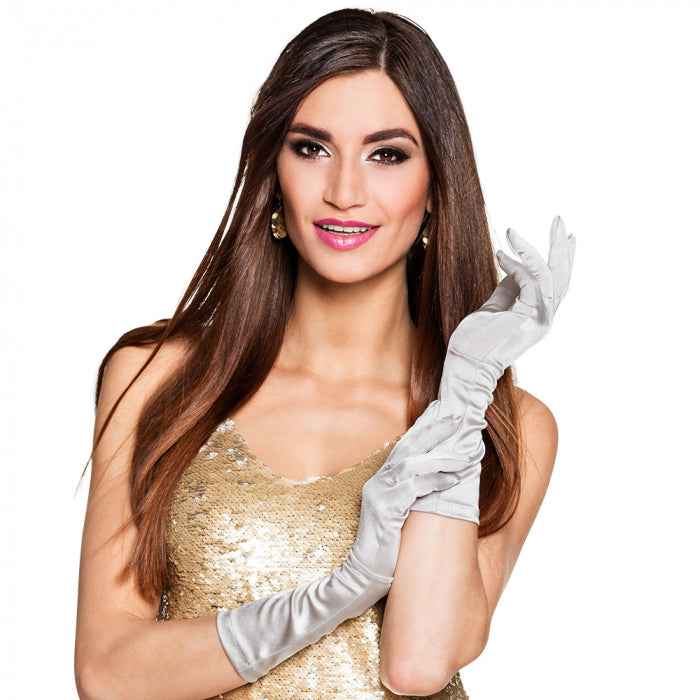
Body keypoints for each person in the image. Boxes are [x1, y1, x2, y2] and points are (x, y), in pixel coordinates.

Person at [74, 8, 575, 699]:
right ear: (272, 170)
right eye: (312, 148)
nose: (343, 191)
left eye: (386, 155)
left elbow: (418, 665)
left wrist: (463, 391)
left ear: (436, 188)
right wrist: (339, 593)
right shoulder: (157, 378)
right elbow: (108, 674)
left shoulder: (505, 425)